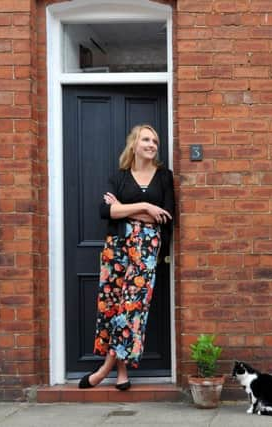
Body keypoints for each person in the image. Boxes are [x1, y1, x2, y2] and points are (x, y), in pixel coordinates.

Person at [79, 124, 175, 390]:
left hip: (146, 250)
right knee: (113, 307)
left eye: (155, 140)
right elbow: (104, 211)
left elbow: (166, 216)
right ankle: (121, 374)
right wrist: (145, 207)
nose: (152, 144)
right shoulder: (120, 177)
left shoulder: (164, 177)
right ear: (134, 144)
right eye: (146, 139)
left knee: (131, 308)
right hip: (117, 247)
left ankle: (103, 370)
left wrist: (123, 208)